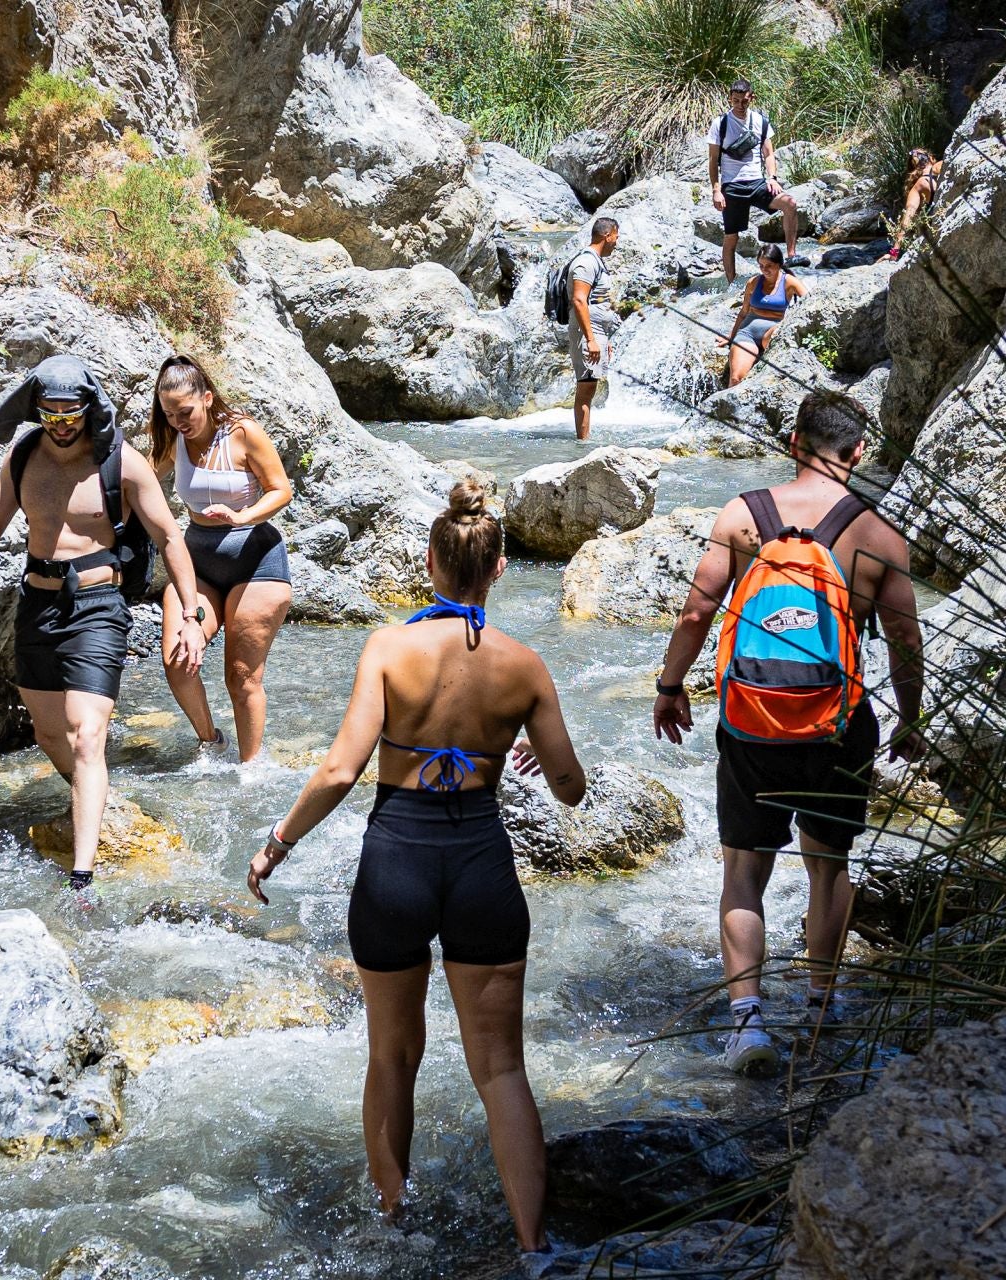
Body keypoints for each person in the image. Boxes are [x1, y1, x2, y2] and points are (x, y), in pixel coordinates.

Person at [247, 479, 586, 1269]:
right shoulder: (525, 667)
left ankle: (394, 1226)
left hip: (395, 857)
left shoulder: (387, 648)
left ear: (429, 562)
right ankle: (535, 1248)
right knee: (501, 1067)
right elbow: (571, 789)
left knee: (392, 1056)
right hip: (480, 862)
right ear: (500, 570)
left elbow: (338, 770)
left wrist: (277, 842)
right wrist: (531, 756)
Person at [650, 392, 925, 1075]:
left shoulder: (744, 516)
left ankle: (747, 1026)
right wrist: (912, 721)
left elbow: (695, 613)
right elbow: (905, 638)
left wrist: (670, 686)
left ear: (793, 440)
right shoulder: (877, 535)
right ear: (858, 453)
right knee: (828, 869)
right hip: (837, 728)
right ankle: (819, 1010)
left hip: (752, 726)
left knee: (744, 872)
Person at [0, 354, 208, 904]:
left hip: (98, 604)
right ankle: (95, 796)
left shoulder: (122, 462)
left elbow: (169, 538)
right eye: (52, 416)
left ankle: (82, 876)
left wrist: (189, 616)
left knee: (87, 735)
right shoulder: (22, 457)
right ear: (36, 412)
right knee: (50, 734)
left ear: (90, 408)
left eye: (72, 414)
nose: (64, 425)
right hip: (36, 604)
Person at [149, 356, 294, 762]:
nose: (178, 420)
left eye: (185, 411)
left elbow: (280, 490)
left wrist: (242, 516)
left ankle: (250, 768)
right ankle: (211, 742)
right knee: (178, 661)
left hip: (256, 560)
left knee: (241, 676)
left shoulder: (243, 433)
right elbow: (139, 480)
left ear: (207, 398)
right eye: (169, 413)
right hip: (197, 565)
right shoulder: (170, 441)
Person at [708, 79, 799, 282]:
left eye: (744, 101)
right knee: (732, 237)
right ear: (730, 99)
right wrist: (716, 190)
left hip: (757, 183)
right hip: (732, 186)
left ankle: (792, 255)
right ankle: (731, 281)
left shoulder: (760, 121)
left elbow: (768, 153)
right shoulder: (720, 124)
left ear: (752, 98)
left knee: (790, 204)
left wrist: (772, 178)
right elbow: (713, 160)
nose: (740, 106)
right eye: (736, 101)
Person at [717, 244, 810, 388]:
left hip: (773, 330)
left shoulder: (790, 282)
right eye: (761, 266)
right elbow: (743, 312)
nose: (764, 270)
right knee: (736, 379)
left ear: (779, 264)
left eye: (769, 266)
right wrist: (731, 336)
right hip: (747, 333)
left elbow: (812, 302)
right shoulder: (753, 282)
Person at [568, 217, 623, 442]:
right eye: (616, 238)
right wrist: (591, 339)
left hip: (595, 332)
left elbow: (595, 302)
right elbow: (579, 300)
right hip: (587, 334)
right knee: (585, 389)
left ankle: (584, 439)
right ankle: (582, 443)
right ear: (606, 235)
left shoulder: (596, 261)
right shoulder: (586, 263)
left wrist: (602, 338)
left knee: (589, 387)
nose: (616, 243)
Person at [882, 148, 944, 261]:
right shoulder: (941, 165)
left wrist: (894, 252)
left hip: (934, 231)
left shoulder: (918, 186)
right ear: (930, 158)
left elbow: (906, 221)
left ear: (914, 167)